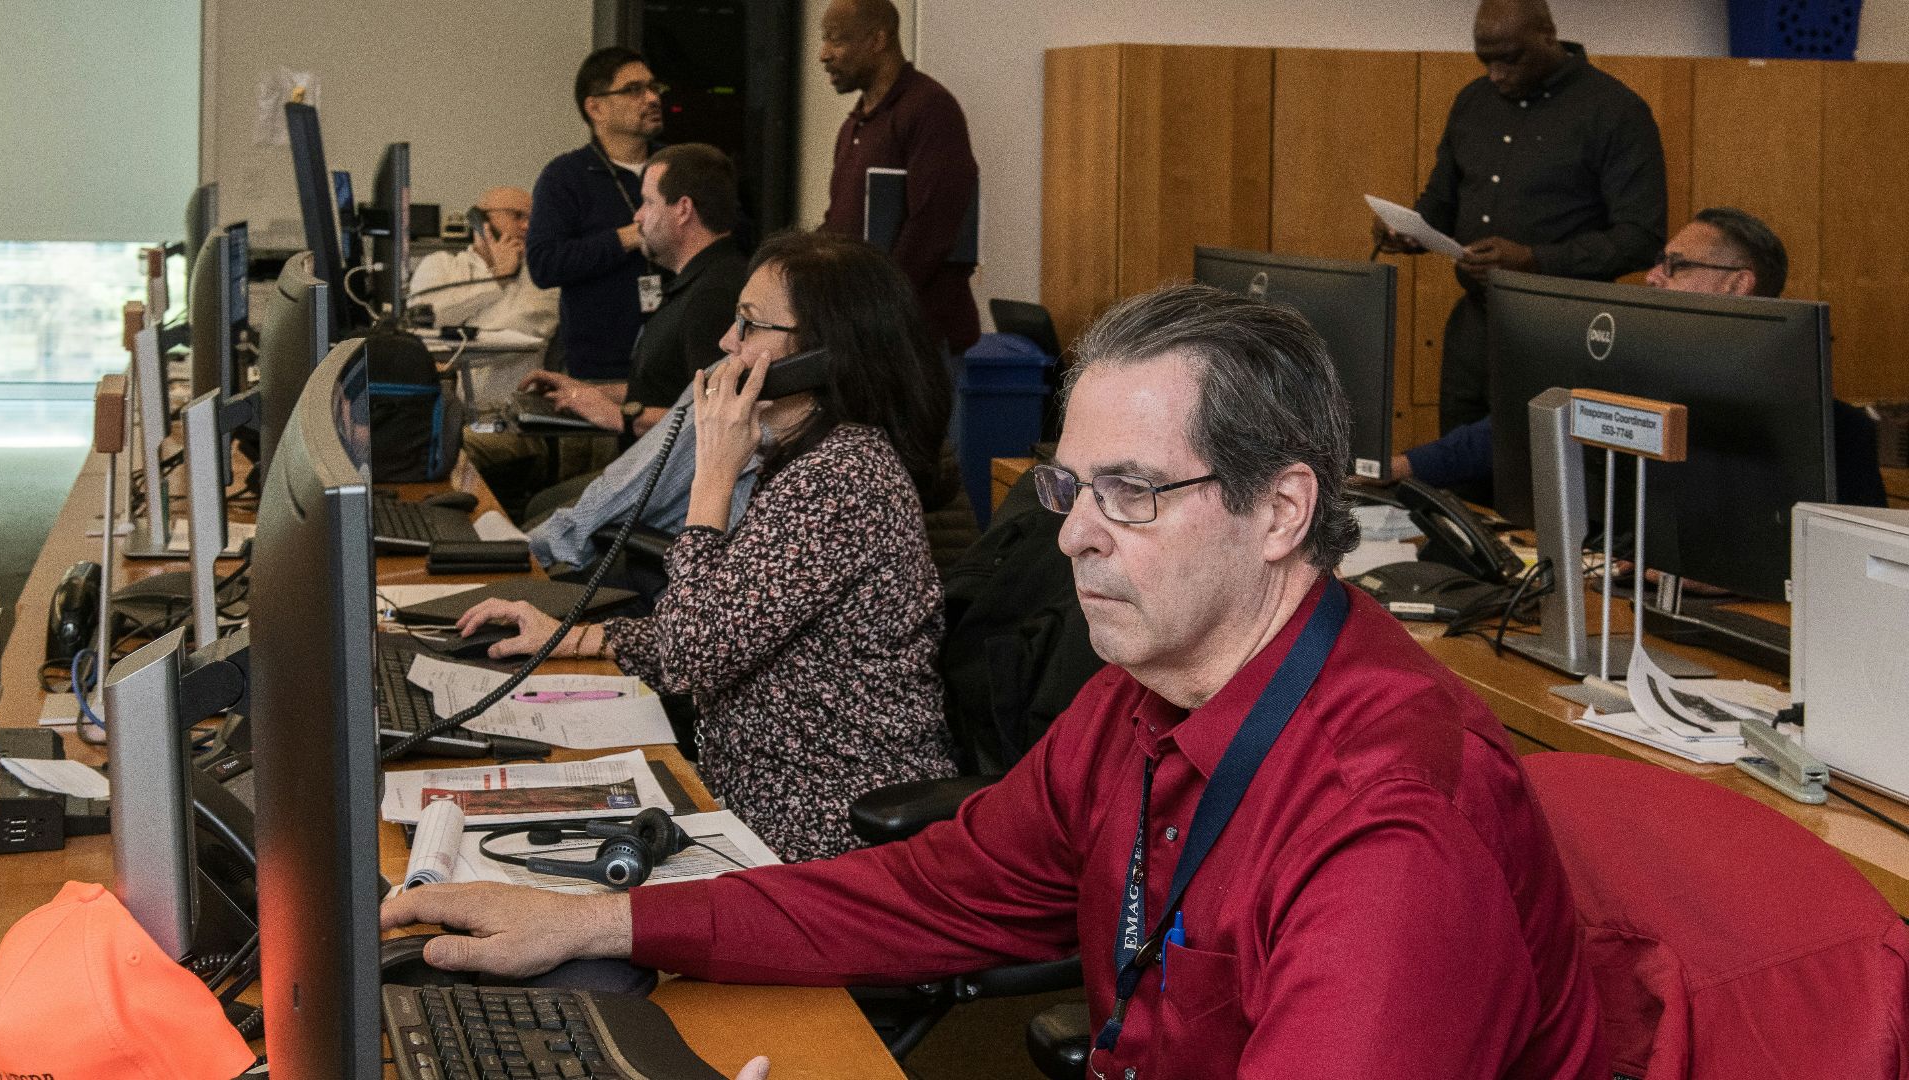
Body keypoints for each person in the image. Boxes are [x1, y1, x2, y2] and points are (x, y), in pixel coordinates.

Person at [385, 283, 1606, 1079]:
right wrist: (602, 921)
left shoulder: (1392, 829)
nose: (1073, 536)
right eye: (1069, 490)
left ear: (1282, 508)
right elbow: (925, 892)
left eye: (1132, 494)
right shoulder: (1140, 707)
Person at [455, 232, 958, 864]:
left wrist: (714, 476)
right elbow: (715, 628)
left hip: (824, 834)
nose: (727, 342)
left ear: (825, 354)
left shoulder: (842, 479)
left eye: (749, 326)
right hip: (752, 806)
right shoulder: (803, 462)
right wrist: (569, 635)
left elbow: (696, 651)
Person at [1392, 207, 1890, 508]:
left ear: (1738, 284)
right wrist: (1402, 465)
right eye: (1658, 262)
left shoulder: (1829, 427)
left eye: (1675, 266)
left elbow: (1848, 556)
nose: (1653, 277)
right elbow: (1524, 426)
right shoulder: (1636, 374)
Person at [1377, 0, 1666, 433]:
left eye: (1510, 59)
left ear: (1549, 36)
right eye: (1485, 60)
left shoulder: (1615, 110)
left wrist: (1534, 259)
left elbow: (1641, 237)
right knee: (1455, 475)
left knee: (1536, 475)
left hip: (1561, 331)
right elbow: (1441, 201)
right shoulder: (1473, 102)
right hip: (1475, 326)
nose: (1496, 74)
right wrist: (1408, 229)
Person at [520, 143, 752, 445]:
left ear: (683, 209)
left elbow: (716, 416)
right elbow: (664, 389)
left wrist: (617, 416)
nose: (638, 217)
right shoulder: (696, 283)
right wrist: (583, 391)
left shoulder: (714, 294)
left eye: (648, 202)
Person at [817, 0, 979, 355]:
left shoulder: (930, 109)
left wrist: (875, 303)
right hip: (868, 335)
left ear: (878, 39)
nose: (823, 54)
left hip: (917, 340)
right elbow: (840, 224)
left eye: (836, 40)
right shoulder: (853, 125)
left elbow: (934, 228)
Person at [528, 46, 667, 381]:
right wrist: (627, 239)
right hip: (600, 366)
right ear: (596, 108)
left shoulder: (678, 166)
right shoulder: (566, 176)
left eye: (654, 87)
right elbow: (544, 263)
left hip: (676, 357)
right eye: (634, 90)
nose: (651, 98)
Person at [406, 186, 558, 339]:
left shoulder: (542, 277)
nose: (527, 226)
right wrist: (497, 279)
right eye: (517, 216)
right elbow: (422, 319)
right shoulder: (440, 264)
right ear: (479, 219)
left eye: (533, 219)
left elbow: (529, 333)